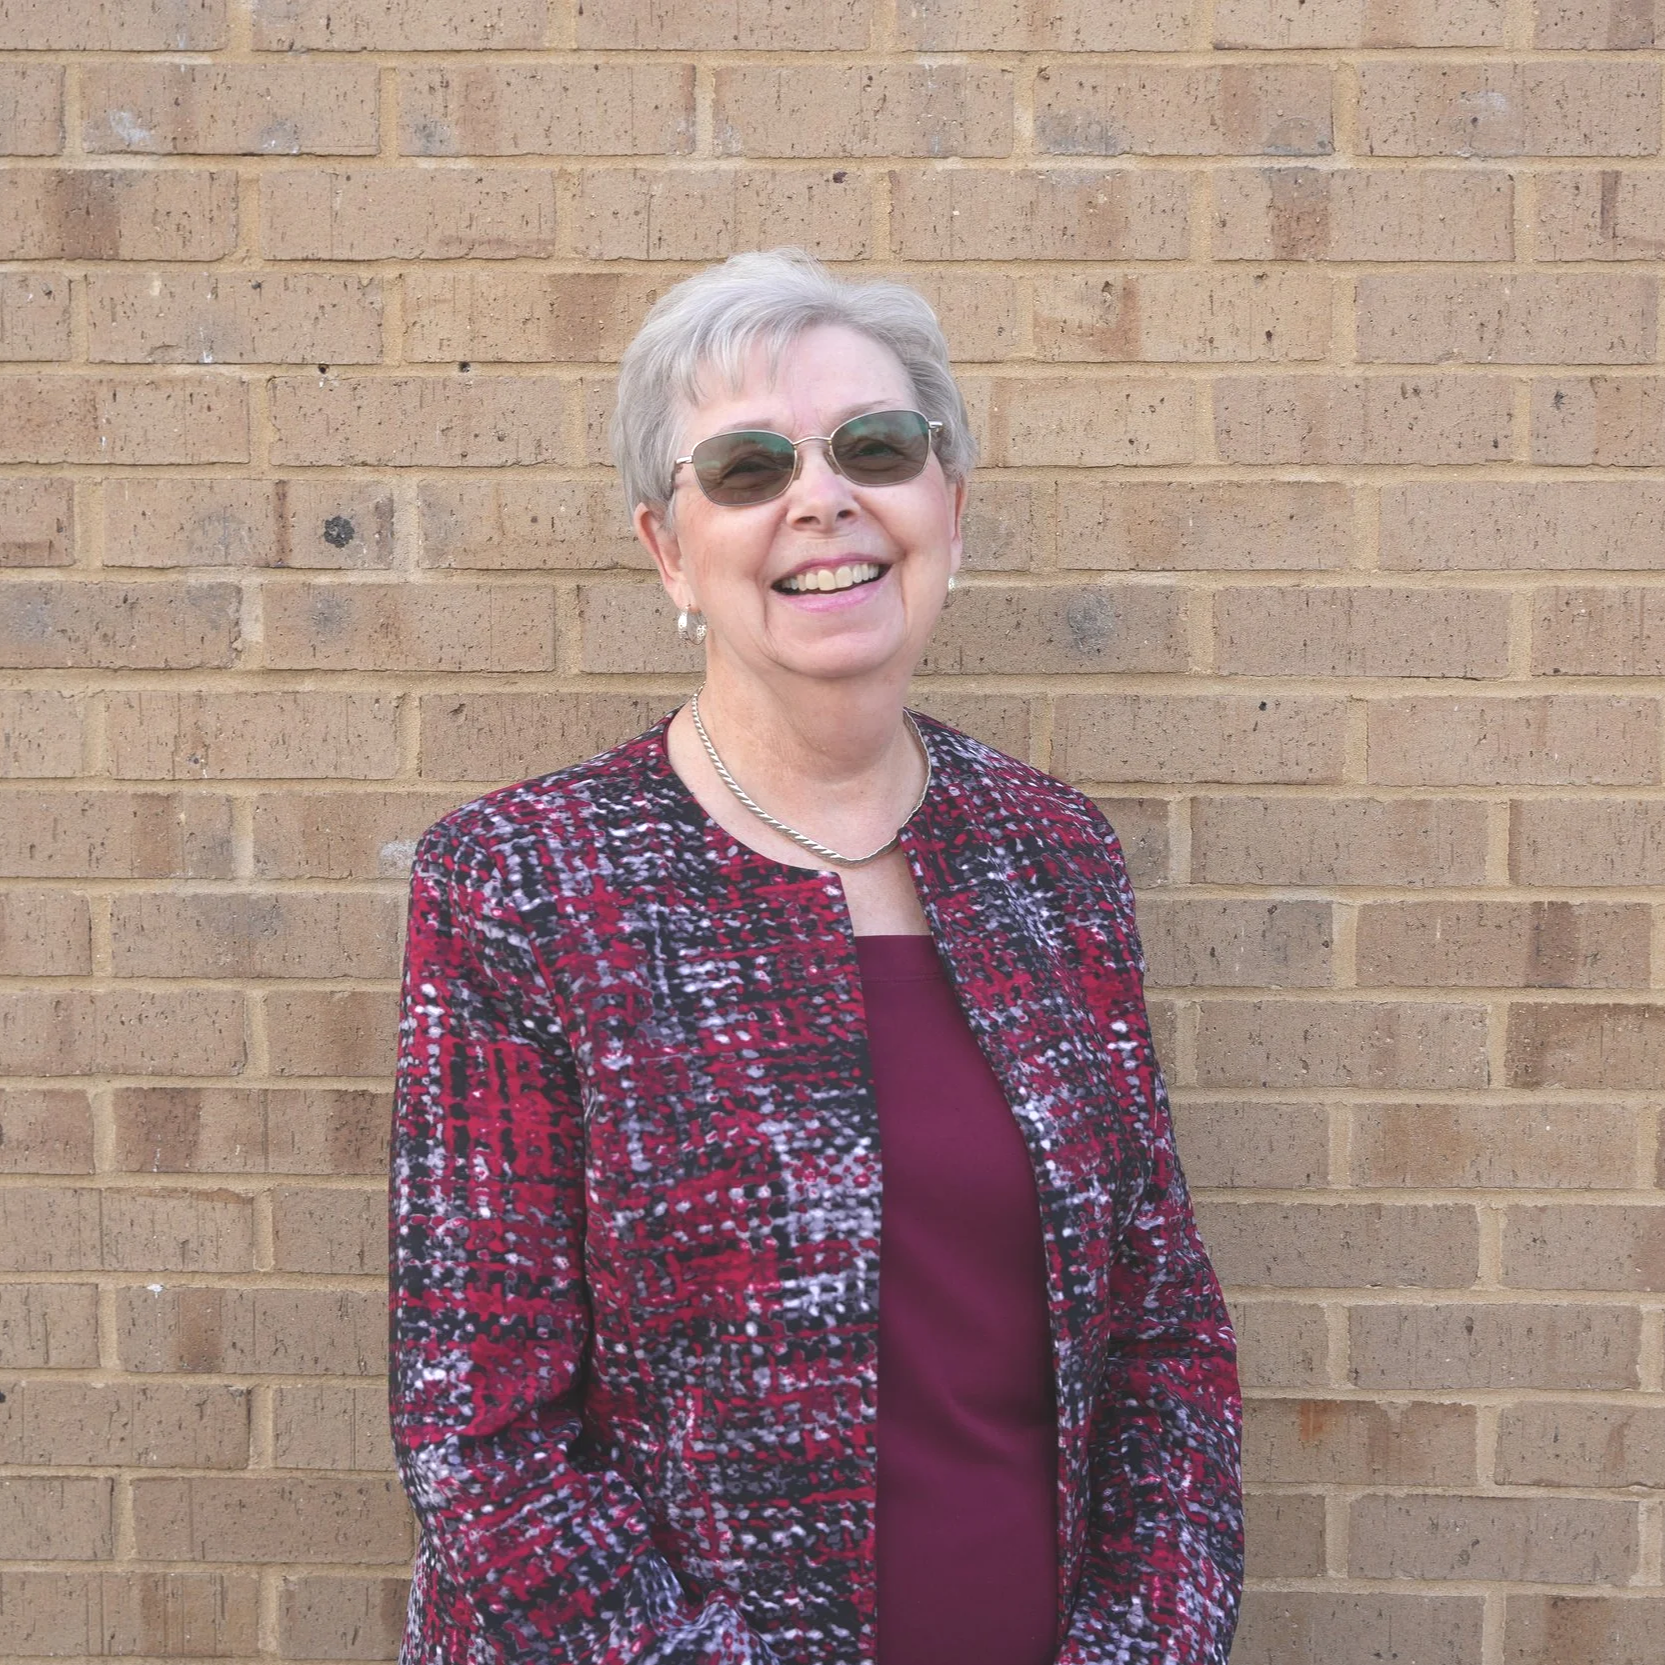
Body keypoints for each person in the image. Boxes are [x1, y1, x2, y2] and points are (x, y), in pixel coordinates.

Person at [389, 248, 1242, 1665]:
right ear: (669, 549)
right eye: (748, 468)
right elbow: (480, 1435)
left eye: (877, 448)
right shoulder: (525, 884)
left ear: (949, 507)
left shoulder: (1054, 859)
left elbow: (1166, 1346)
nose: (823, 498)